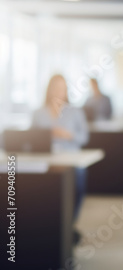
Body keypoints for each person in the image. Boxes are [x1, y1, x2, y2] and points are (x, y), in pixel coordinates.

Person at [31, 74, 89, 242]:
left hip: (70, 158)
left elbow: (84, 138)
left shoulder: (75, 112)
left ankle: (69, 224)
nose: (58, 92)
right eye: (55, 88)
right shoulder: (38, 113)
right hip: (46, 158)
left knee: (78, 177)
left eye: (62, 88)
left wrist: (67, 135)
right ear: (49, 90)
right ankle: (45, 224)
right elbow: (30, 138)